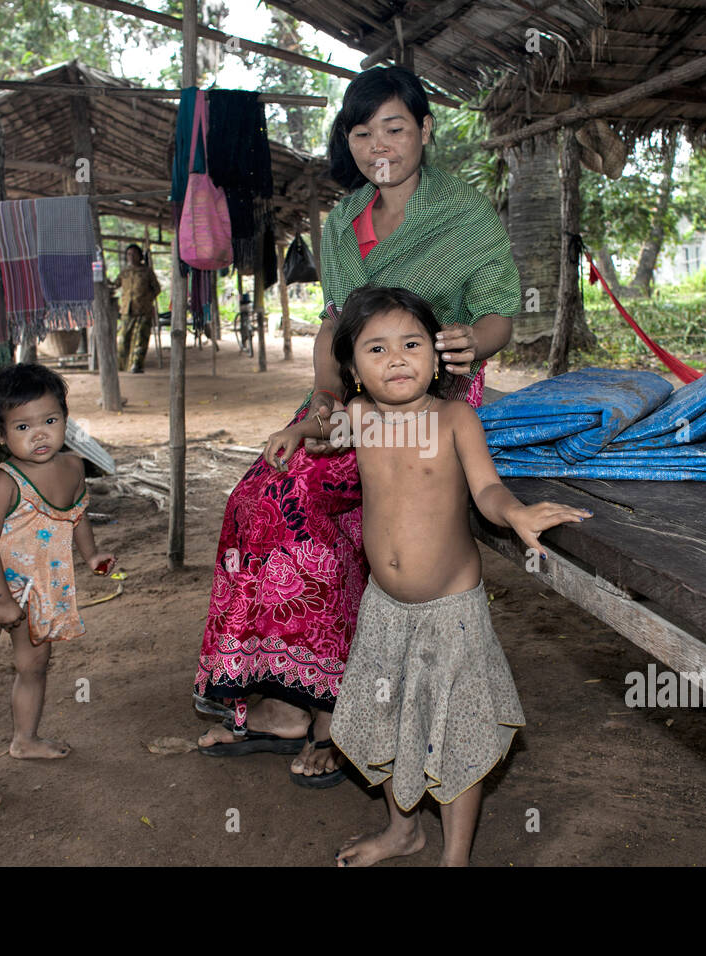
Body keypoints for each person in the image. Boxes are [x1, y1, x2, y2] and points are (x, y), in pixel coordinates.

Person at [194, 65, 521, 787]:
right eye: (363, 129)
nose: (380, 143)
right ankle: (282, 693)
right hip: (352, 399)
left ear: (425, 131)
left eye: (395, 127)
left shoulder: (467, 214)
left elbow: (498, 309)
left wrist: (476, 340)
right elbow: (336, 324)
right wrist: (320, 401)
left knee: (306, 505)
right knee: (255, 497)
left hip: (426, 404)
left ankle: (333, 706)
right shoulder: (344, 221)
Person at [261, 286, 591, 865]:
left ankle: (454, 856)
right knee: (389, 717)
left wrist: (515, 513)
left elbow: (486, 488)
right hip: (384, 608)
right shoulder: (360, 418)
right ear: (353, 367)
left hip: (450, 611)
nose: (396, 358)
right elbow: (324, 425)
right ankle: (402, 829)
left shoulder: (453, 417)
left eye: (411, 344)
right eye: (377, 348)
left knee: (455, 726)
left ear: (436, 356)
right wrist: (297, 431)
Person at [0, 364, 116, 811]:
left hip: (43, 584)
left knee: (34, 665)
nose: (40, 434)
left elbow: (76, 515)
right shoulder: (4, 479)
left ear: (65, 418)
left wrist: (91, 556)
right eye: (23, 426)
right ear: (1, 434)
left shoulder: (74, 466)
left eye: (50, 421)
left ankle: (24, 739)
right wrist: (2, 600)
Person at [118, 244, 161, 373]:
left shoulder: (147, 272)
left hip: (143, 310)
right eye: (129, 254)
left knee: (141, 338)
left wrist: (146, 299)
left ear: (140, 256)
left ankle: (137, 364)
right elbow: (116, 284)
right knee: (124, 337)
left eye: (134, 254)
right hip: (127, 310)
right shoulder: (125, 272)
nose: (131, 257)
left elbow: (157, 289)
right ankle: (122, 364)